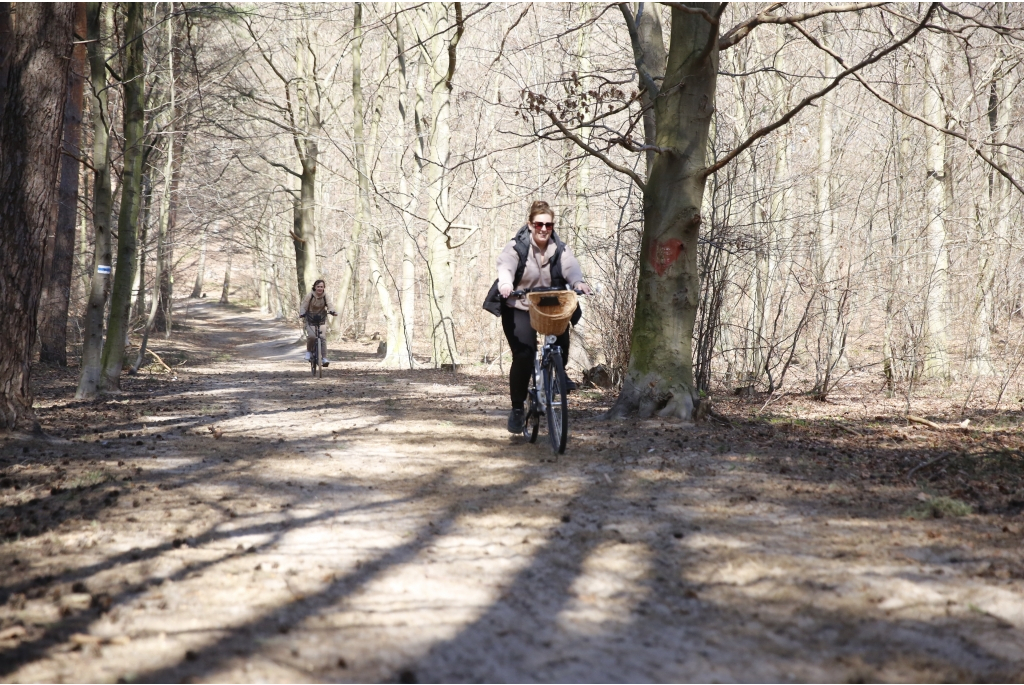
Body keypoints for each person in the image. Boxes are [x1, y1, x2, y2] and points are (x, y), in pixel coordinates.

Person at [484, 200, 592, 434]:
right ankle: (517, 408)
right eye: (539, 224)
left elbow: (570, 267)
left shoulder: (559, 248)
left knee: (561, 343)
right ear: (530, 224)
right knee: (524, 354)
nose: (544, 229)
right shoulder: (517, 247)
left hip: (550, 305)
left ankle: (557, 375)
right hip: (519, 304)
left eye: (548, 225)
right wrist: (505, 284)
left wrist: (578, 282)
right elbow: (506, 266)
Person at [298, 279, 336, 366]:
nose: (320, 288)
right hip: (310, 318)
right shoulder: (310, 295)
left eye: (321, 287)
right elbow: (304, 306)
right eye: (318, 286)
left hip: (321, 318)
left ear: (324, 288)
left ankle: (324, 358)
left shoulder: (325, 296)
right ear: (315, 287)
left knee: (322, 337)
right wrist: (302, 313)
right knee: (312, 336)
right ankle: (309, 352)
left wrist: (332, 311)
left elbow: (330, 304)